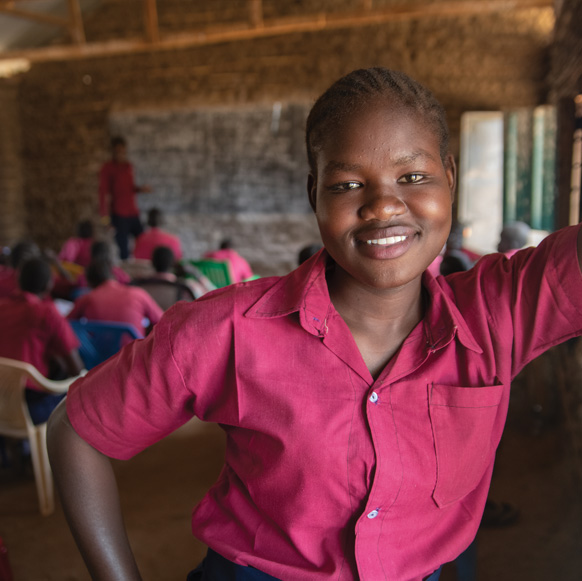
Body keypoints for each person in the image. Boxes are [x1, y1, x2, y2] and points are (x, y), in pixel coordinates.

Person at [47, 67, 582, 581]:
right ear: (314, 195)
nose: (383, 206)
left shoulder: (500, 312)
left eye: (413, 176)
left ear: (450, 175)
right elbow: (77, 430)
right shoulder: (226, 330)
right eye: (348, 185)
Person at [0, 257, 83, 424]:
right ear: (49, 285)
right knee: (79, 394)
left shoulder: (2, 307)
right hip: (28, 408)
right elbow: (77, 369)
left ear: (18, 281)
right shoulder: (47, 313)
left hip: (2, 399)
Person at [67, 257, 163, 336]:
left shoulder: (87, 298)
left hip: (98, 357)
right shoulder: (138, 294)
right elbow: (163, 321)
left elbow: (64, 326)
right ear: (113, 276)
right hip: (134, 356)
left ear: (89, 283)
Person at [99, 136, 151, 260]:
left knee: (143, 242)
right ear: (113, 151)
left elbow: (128, 188)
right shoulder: (107, 168)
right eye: (118, 151)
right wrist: (106, 221)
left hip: (133, 213)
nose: (121, 154)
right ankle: (126, 277)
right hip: (119, 215)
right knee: (124, 252)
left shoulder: (129, 167)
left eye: (123, 151)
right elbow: (102, 195)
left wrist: (139, 189)